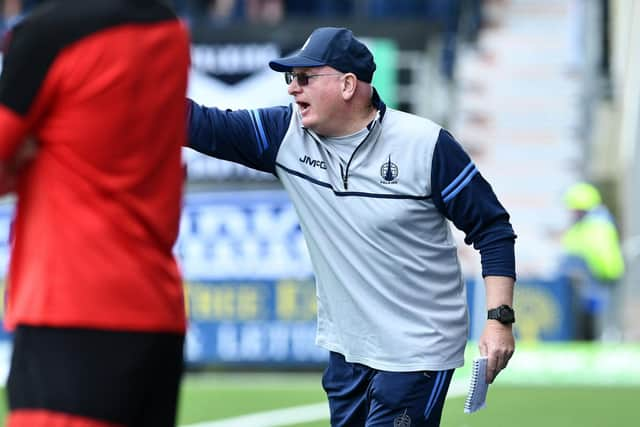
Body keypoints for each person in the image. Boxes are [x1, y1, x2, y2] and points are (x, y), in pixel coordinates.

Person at [186, 27, 516, 426]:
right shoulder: (285, 135)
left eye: (305, 78)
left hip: (418, 351)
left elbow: (492, 229)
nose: (292, 88)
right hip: (346, 351)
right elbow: (200, 125)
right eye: (291, 79)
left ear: (347, 84)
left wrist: (499, 320)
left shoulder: (425, 145)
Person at [0, 1, 190, 426]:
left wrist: (26, 156)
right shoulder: (170, 31)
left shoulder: (48, 36)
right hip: (157, 316)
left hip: (70, 313)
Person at [562, 182, 625, 340]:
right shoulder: (585, 225)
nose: (572, 213)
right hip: (589, 283)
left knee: (599, 323)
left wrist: (604, 275)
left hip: (598, 282)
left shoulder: (597, 225)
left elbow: (604, 256)